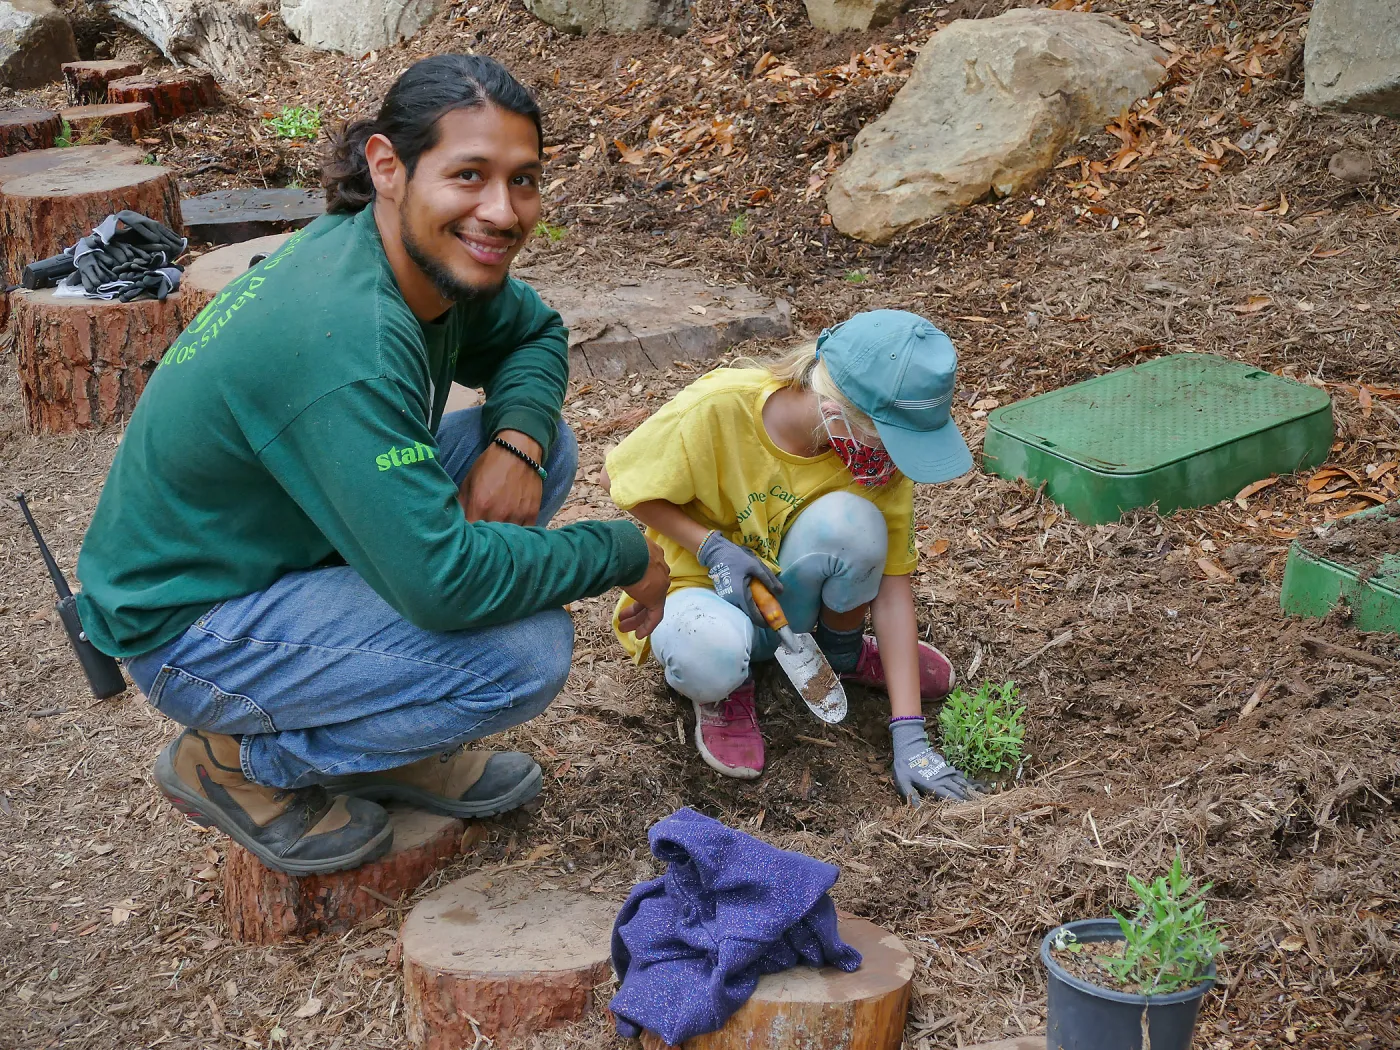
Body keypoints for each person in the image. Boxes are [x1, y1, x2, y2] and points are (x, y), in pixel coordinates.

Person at [74, 54, 670, 875]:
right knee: (524, 655)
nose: (502, 211)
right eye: (469, 175)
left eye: (523, 180)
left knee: (549, 448)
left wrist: (518, 438)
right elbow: (445, 585)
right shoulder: (348, 338)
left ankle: (383, 736)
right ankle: (233, 763)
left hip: (293, 545)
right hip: (189, 622)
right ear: (388, 167)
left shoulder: (421, 257)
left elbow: (536, 335)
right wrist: (624, 552)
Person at [603, 310, 978, 802]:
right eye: (890, 438)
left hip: (789, 602)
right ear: (840, 409)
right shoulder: (720, 407)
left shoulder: (874, 461)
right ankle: (726, 692)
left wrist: (910, 734)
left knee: (856, 526)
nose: (894, 456)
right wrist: (710, 545)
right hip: (697, 592)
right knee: (706, 651)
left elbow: (890, 588)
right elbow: (620, 482)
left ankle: (838, 655)